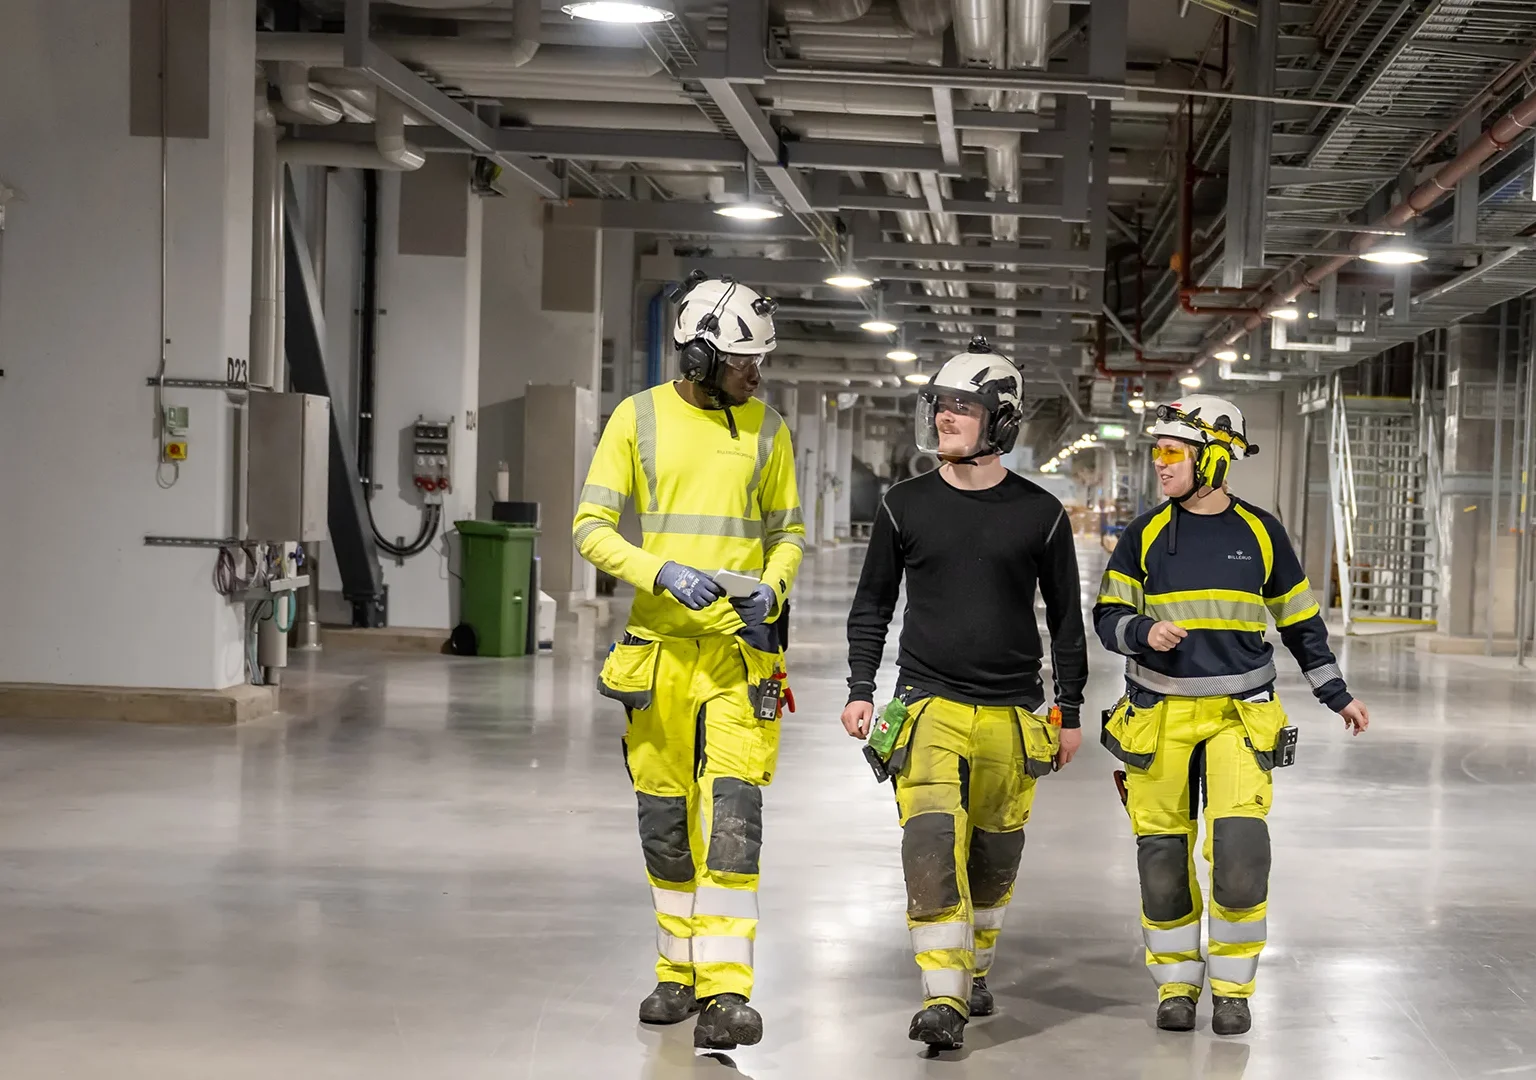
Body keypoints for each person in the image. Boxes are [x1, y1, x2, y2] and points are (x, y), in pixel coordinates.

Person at [572, 274, 805, 1051]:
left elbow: (789, 534)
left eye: (760, 362)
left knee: (734, 819)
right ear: (699, 356)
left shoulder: (769, 429)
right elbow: (590, 527)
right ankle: (677, 975)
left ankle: (728, 992)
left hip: (741, 658)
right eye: (743, 362)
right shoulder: (636, 419)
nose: (756, 375)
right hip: (659, 657)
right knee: (665, 821)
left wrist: (772, 589)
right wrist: (660, 572)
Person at [1091, 394, 1370, 1037]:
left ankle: (1233, 989)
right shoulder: (1144, 534)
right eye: (1157, 451)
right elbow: (1107, 617)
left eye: (1173, 451)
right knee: (1162, 855)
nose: (1160, 463)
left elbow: (1300, 622)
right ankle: (1175, 985)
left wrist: (1335, 692)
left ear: (1214, 458)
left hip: (1241, 716)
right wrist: (1141, 631)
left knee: (1241, 852)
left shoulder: (1261, 532)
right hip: (1158, 715)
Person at [841, 339, 1089, 1053]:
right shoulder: (903, 505)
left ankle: (974, 967)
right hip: (926, 703)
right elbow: (873, 604)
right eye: (941, 404)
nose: (946, 417)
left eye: (963, 407)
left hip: (1014, 712)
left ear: (1000, 421)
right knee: (928, 841)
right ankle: (943, 996)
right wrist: (861, 687)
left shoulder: (1041, 514)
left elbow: (1066, 621)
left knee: (993, 854)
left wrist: (1070, 711)